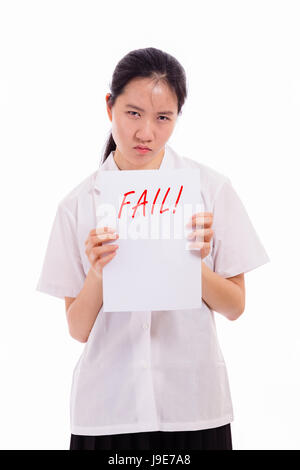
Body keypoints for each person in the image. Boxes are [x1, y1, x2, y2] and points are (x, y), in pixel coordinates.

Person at [36, 47, 270, 451]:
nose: (146, 132)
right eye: (133, 113)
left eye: (164, 118)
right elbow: (77, 330)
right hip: (108, 411)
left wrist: (188, 262)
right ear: (109, 106)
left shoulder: (209, 189)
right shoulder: (77, 205)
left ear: (179, 116)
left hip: (194, 406)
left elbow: (235, 307)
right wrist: (98, 272)